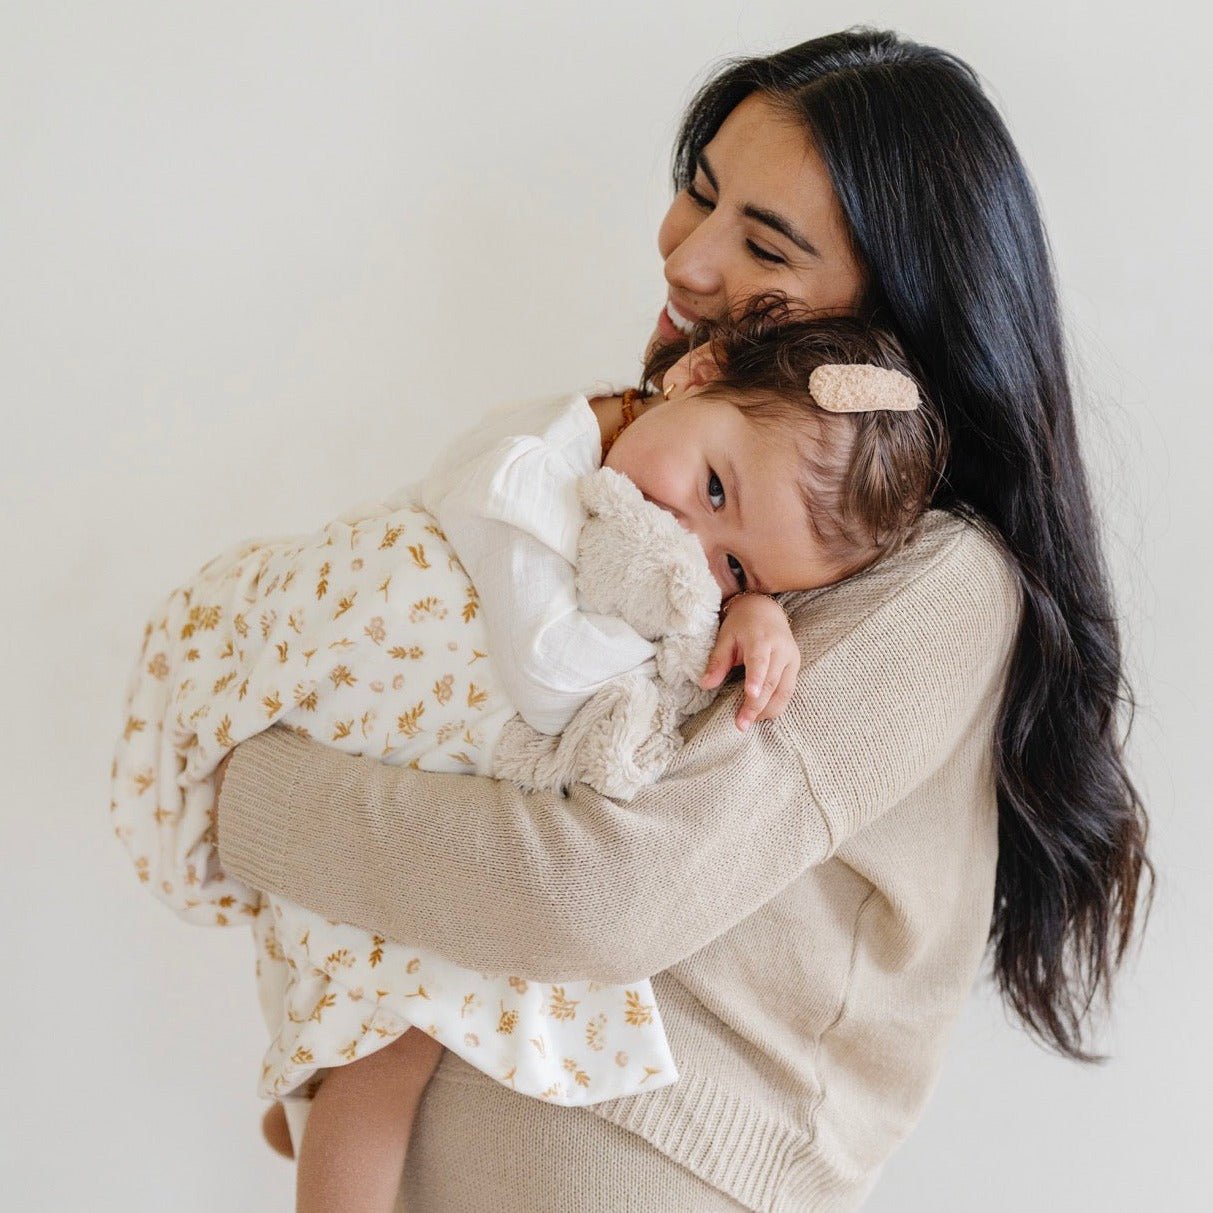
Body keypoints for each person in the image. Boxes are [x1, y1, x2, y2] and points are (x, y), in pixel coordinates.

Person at [213, 28, 1153, 1211]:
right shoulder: (667, 490)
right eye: (698, 192)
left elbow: (590, 896)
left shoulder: (940, 582)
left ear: (896, 307)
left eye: (763, 244)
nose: (689, 258)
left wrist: (241, 793)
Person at [114, 306, 941, 1212]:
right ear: (697, 375)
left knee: (388, 1022)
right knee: (381, 1047)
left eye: (737, 568)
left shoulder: (656, 504)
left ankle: (302, 1099)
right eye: (712, 491)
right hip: (361, 737)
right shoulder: (526, 463)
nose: (688, 547)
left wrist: (750, 615)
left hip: (429, 794)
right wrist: (692, 626)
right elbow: (550, 674)